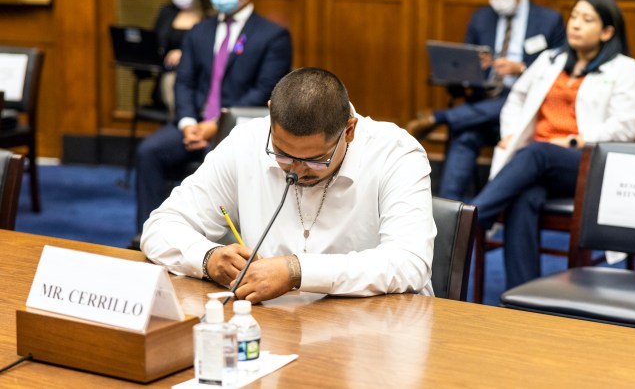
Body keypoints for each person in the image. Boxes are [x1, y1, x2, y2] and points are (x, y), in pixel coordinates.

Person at [141, 67, 436, 303]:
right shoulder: (247, 141)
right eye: (281, 153)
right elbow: (160, 226)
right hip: (275, 325)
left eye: (315, 160)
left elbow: (409, 262)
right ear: (271, 114)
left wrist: (297, 271)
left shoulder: (396, 153)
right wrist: (208, 258)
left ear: (349, 130)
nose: (295, 170)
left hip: (375, 329)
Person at [472, 0, 635, 290]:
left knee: (537, 152)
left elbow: (625, 127)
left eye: (587, 20)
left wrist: (578, 141)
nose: (575, 25)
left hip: (586, 163)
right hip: (536, 165)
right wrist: (511, 133)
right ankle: (522, 296)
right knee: (524, 197)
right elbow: (516, 98)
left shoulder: (625, 69)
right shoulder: (550, 60)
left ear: (607, 32)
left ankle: (471, 218)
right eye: (574, 16)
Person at [134, 0, 293, 240]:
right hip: (193, 123)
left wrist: (217, 124)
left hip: (237, 129)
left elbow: (265, 91)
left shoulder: (273, 36)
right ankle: (151, 236)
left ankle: (212, 242)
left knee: (219, 161)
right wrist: (187, 123)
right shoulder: (200, 31)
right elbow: (184, 81)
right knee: (149, 151)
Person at [406, 0, 566, 202]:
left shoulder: (549, 20)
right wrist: (475, 69)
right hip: (485, 102)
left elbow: (560, 69)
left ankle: (440, 117)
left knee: (503, 103)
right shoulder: (481, 18)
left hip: (526, 106)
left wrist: (521, 68)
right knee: (465, 137)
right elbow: (465, 70)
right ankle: (447, 210)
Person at [152, 0, 212, 115]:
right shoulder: (167, 12)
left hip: (201, 79)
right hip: (168, 75)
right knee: (171, 80)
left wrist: (185, 55)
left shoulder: (211, 17)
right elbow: (155, 44)